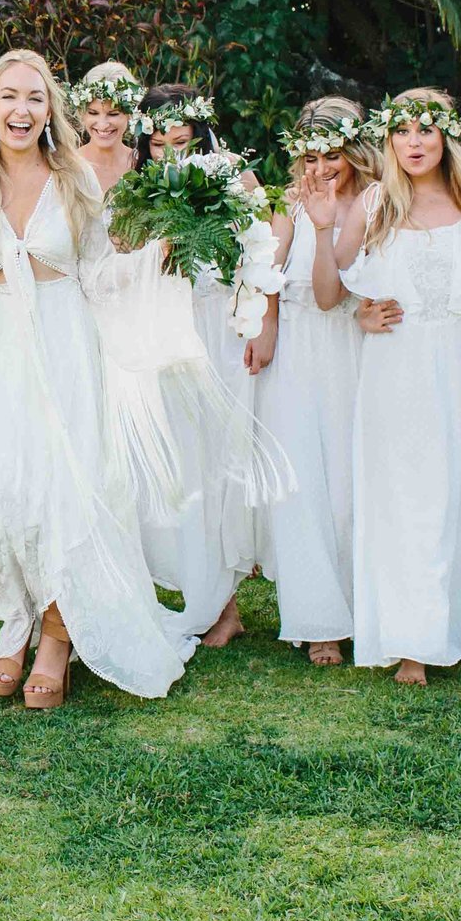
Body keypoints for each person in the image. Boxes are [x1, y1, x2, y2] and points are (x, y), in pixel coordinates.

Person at [0, 50, 211, 706]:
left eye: (34, 97)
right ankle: (16, 616)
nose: (21, 110)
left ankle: (58, 633)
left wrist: (152, 256)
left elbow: (100, 273)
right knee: (5, 488)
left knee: (67, 487)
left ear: (49, 109)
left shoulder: (74, 177)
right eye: (8, 97)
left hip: (66, 342)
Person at [334, 90, 461, 686]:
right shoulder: (373, 203)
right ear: (388, 140)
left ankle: (451, 625)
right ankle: (410, 639)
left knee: (454, 492)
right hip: (395, 369)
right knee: (403, 497)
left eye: (425, 131)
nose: (413, 142)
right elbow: (336, 292)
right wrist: (361, 315)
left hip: (456, 364)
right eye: (402, 131)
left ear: (445, 138)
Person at [137, 82, 267, 647]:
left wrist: (262, 323)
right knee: (180, 467)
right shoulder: (137, 187)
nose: (172, 154)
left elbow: (263, 251)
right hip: (163, 333)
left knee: (220, 461)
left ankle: (226, 603)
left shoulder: (234, 177)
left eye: (182, 141)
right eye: (160, 144)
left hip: (220, 328)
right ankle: (205, 596)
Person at [258, 98, 370, 667]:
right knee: (301, 483)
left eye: (333, 155)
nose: (321, 167)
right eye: (310, 155)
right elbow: (268, 273)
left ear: (353, 151)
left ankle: (360, 606)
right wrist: (267, 327)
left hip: (353, 345)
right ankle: (318, 618)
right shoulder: (288, 203)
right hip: (298, 348)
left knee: (351, 483)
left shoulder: (373, 201)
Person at [71, 62, 145, 193]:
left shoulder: (144, 166)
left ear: (130, 113)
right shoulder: (67, 166)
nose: (103, 124)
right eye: (93, 113)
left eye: (113, 114)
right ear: (82, 113)